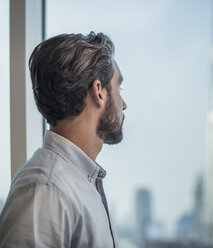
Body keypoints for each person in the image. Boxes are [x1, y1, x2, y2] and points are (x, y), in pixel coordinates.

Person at [0, 32, 126, 247]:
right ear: (99, 91)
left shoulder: (76, 182)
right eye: (119, 88)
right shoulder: (45, 189)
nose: (123, 104)